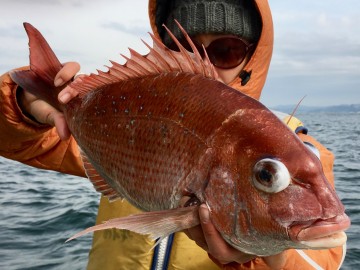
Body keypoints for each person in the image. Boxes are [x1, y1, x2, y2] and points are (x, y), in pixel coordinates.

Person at [0, 0, 347, 269]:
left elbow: (327, 253)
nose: (205, 63)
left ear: (250, 56)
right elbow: (18, 142)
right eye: (183, 46)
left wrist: (271, 260)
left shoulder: (298, 147)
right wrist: (24, 105)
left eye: (227, 50)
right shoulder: (121, 118)